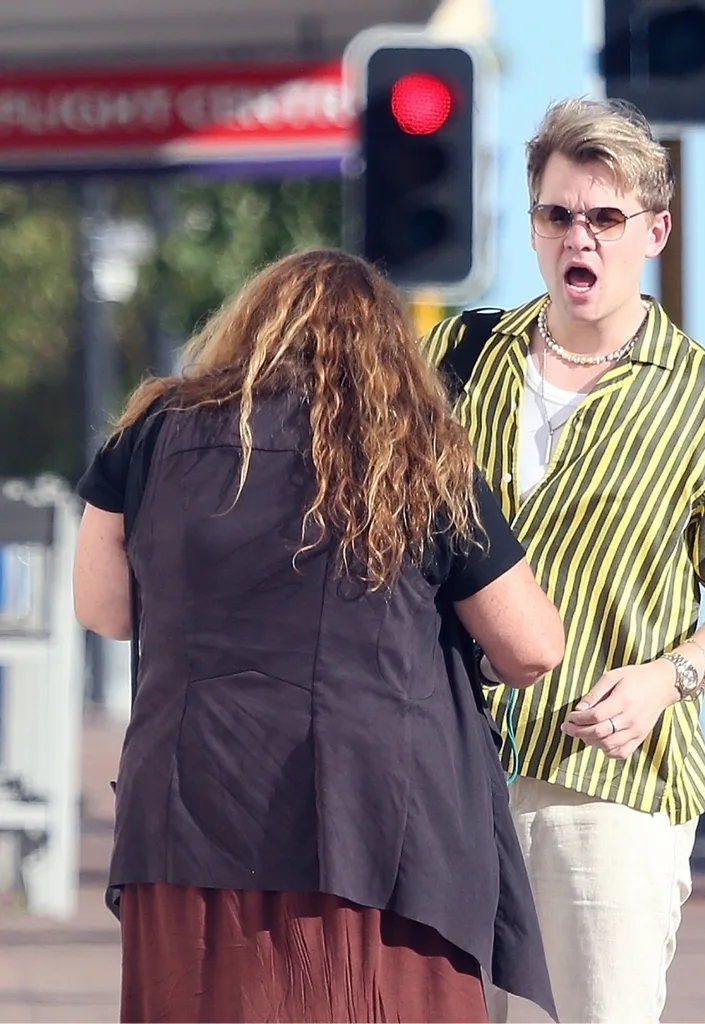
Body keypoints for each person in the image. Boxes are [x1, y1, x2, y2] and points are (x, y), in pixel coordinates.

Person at [73, 248, 565, 1024]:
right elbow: (532, 647)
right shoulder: (416, 453)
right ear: (388, 351)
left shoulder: (151, 434)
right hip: (377, 834)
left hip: (189, 817)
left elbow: (104, 609)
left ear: (249, 326)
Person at [422, 97, 705, 1024]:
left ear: (653, 232)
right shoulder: (457, 359)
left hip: (602, 789)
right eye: (556, 214)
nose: (577, 236)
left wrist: (667, 679)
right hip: (443, 770)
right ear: (532, 225)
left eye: (604, 217)